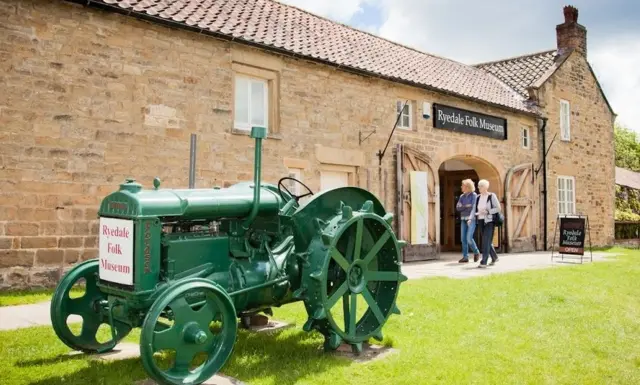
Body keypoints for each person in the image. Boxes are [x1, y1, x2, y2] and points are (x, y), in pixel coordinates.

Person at [474, 179, 501, 268]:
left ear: (485, 187)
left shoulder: (491, 196)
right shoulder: (478, 197)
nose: (479, 188)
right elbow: (475, 209)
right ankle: (494, 257)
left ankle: (484, 262)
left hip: (489, 221)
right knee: (487, 241)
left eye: (480, 186)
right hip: (480, 220)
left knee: (485, 241)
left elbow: (498, 208)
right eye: (478, 186)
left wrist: (488, 211)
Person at [455, 179, 480, 263]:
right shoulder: (462, 196)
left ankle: (476, 252)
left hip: (471, 219)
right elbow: (458, 207)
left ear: (467, 187)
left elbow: (473, 207)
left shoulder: (474, 195)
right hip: (463, 219)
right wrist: (466, 206)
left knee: (469, 238)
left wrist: (464, 206)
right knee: (463, 239)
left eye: (463, 185)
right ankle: (465, 257)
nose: (461, 187)